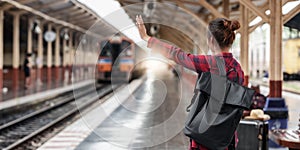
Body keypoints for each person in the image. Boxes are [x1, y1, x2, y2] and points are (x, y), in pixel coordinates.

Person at [136, 15, 244, 150]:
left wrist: (148, 38)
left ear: (210, 40)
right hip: (228, 139)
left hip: (206, 137)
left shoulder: (210, 64)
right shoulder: (238, 69)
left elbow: (178, 54)